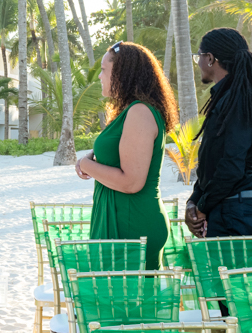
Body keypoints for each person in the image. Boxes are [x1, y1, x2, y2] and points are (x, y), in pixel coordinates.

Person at [76, 42, 177, 264]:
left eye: (104, 70)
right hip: (123, 218)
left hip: (131, 222)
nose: (100, 76)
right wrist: (94, 156)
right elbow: (122, 150)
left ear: (123, 74)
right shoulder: (132, 111)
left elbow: (131, 182)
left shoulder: (140, 112)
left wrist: (85, 164)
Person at [186, 29, 252, 238]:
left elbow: (231, 166)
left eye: (199, 57)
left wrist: (202, 206)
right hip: (228, 206)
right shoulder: (228, 97)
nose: (198, 63)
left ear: (210, 59)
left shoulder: (237, 100)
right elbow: (212, 163)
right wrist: (194, 200)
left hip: (234, 211)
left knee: (230, 263)